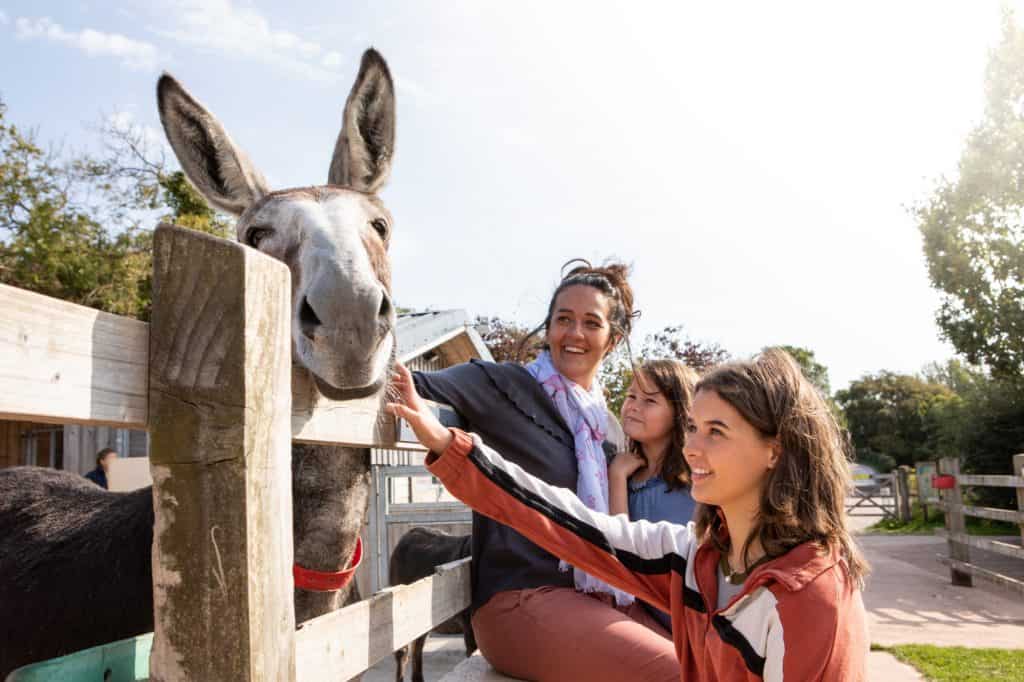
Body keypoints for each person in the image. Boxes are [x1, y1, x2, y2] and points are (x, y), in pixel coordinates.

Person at [391, 349, 870, 681]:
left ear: (774, 451)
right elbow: (565, 521)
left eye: (716, 432)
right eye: (693, 428)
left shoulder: (808, 597)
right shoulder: (693, 558)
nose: (693, 447)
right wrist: (446, 444)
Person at [410, 261, 680, 681]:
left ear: (613, 340)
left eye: (591, 322)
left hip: (596, 600)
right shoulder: (501, 384)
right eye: (563, 320)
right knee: (677, 673)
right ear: (548, 327)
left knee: (714, 662)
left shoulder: (603, 426)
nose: (574, 334)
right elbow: (410, 385)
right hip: (519, 601)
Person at [609, 359, 698, 630]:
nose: (633, 406)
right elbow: (620, 554)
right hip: (644, 623)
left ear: (679, 412)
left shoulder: (695, 483)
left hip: (694, 627)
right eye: (631, 396)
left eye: (649, 401)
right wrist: (616, 478)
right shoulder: (620, 474)